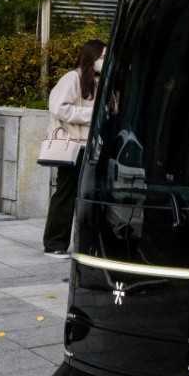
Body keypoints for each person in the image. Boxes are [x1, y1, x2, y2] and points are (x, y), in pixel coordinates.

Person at [44, 39, 106, 256]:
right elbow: (58, 108)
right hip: (73, 147)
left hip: (92, 147)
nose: (105, 61)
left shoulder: (100, 81)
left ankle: (88, 244)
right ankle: (54, 244)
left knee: (91, 195)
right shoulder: (72, 78)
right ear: (92, 57)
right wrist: (92, 115)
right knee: (66, 193)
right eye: (102, 57)